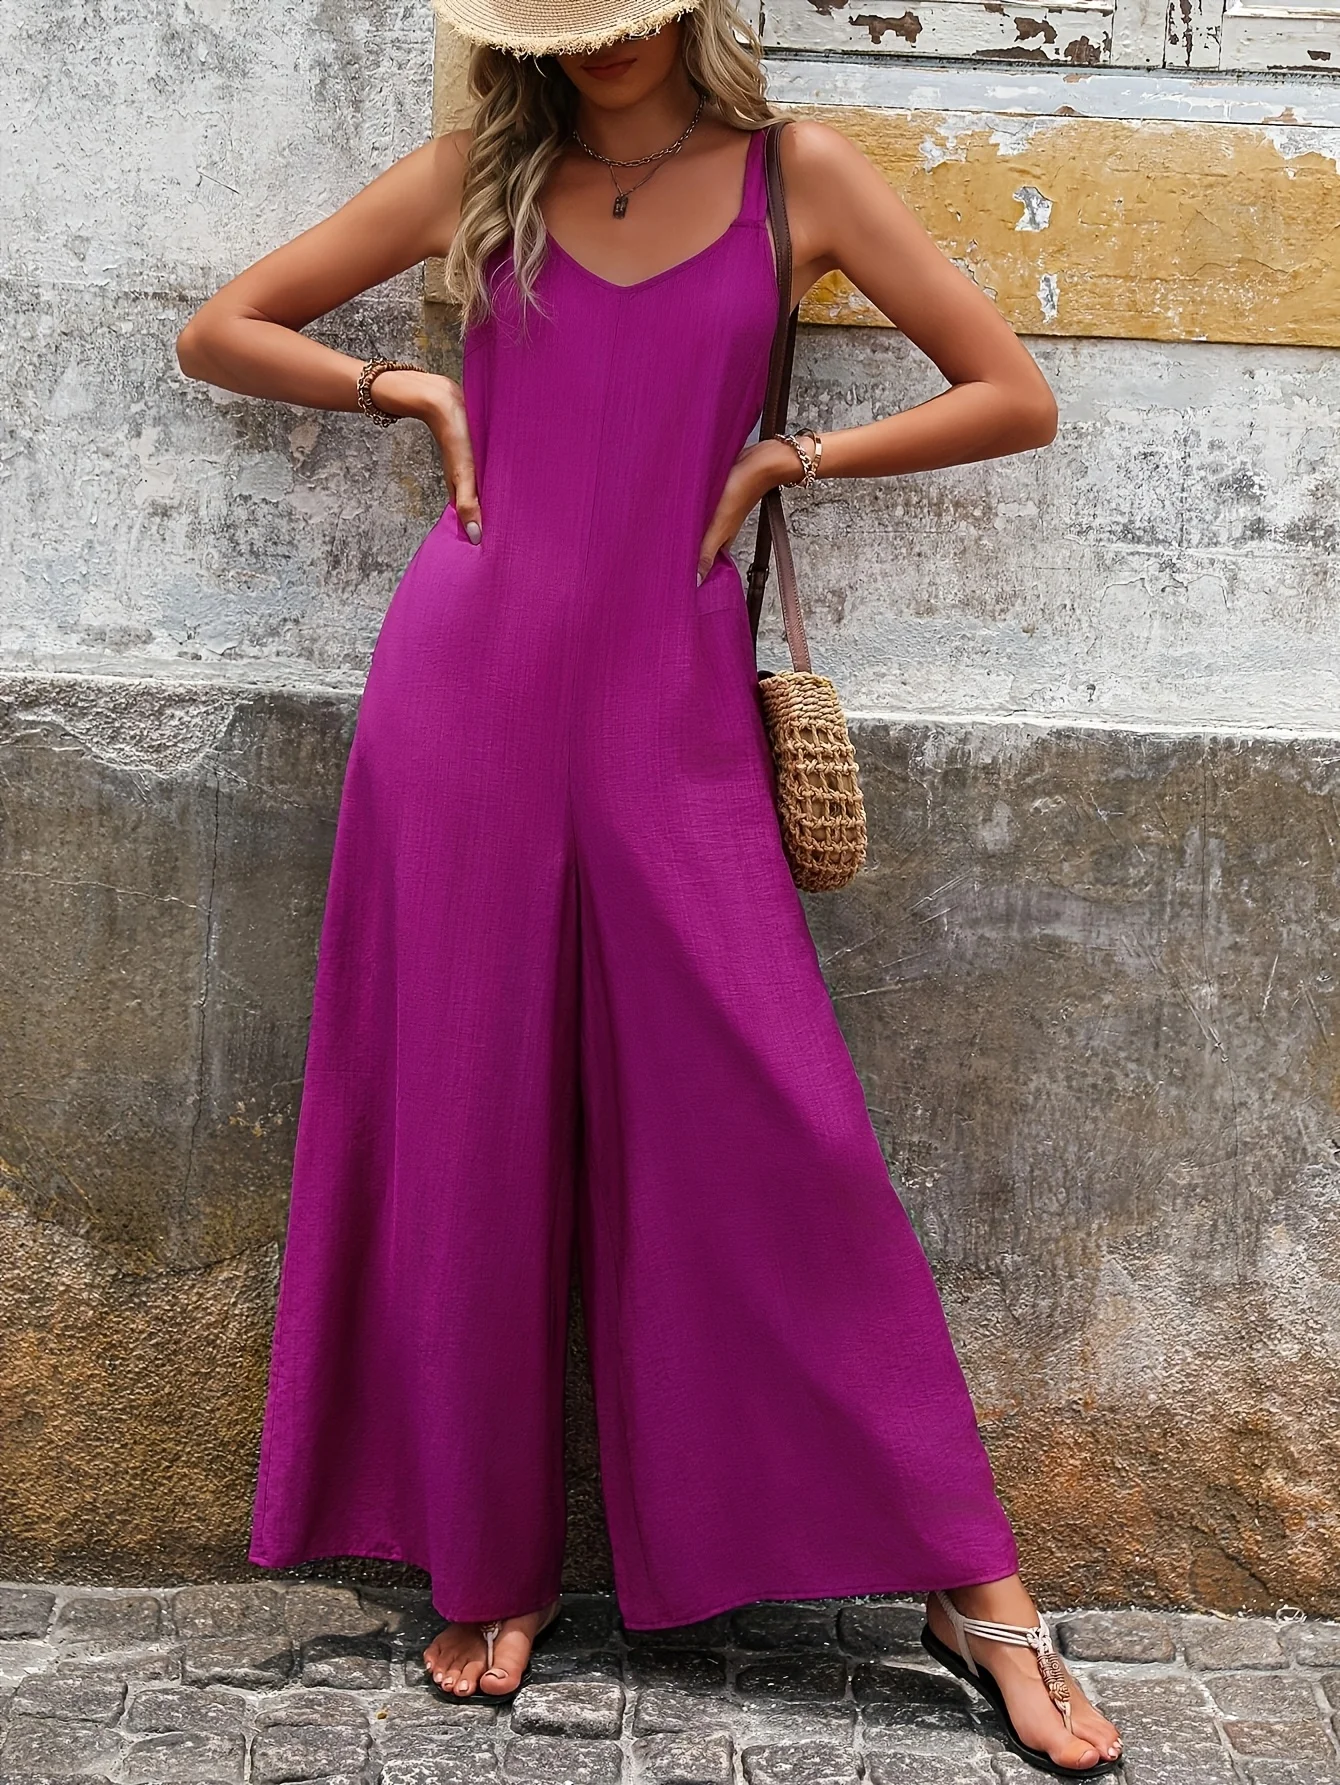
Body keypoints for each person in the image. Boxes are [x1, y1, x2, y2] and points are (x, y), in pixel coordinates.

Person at [176, 0, 1124, 1773]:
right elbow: (221, 329)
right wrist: (404, 386)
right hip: (461, 694)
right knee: (467, 1124)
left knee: (785, 1127)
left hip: (669, 714)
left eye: (621, 12)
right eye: (565, 21)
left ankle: (974, 1588)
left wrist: (790, 457)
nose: (597, 45)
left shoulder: (799, 176)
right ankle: (490, 1560)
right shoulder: (477, 176)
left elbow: (1013, 394)